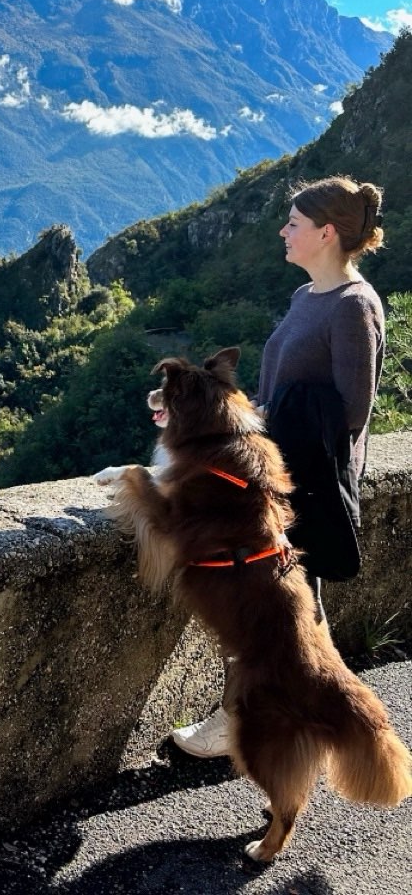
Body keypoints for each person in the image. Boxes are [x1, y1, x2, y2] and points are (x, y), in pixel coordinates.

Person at [172, 175, 386, 758]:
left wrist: (273, 449)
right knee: (290, 616)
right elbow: (281, 393)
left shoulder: (353, 306)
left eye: (293, 224)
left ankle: (258, 721)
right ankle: (314, 720)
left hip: (305, 487)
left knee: (275, 612)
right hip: (277, 477)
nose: (282, 231)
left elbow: (350, 412)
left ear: (326, 232)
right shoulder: (306, 297)